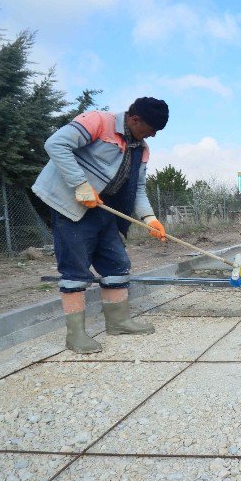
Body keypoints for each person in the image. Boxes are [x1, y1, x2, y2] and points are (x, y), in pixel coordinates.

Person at [32, 97, 169, 354]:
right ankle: (76, 335)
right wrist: (80, 184)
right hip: (71, 206)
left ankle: (117, 322)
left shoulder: (141, 147)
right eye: (150, 129)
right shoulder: (98, 121)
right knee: (75, 269)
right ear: (134, 118)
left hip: (105, 209)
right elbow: (55, 144)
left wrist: (149, 218)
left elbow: (137, 187)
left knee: (117, 264)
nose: (152, 135)